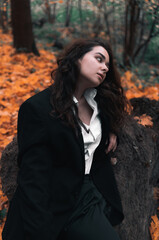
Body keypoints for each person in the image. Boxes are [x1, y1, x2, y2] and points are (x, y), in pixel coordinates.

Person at [2, 38, 128, 240]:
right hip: (52, 198)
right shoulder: (38, 108)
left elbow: (115, 117)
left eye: (107, 64)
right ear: (77, 58)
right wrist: (39, 231)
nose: (104, 67)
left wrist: (113, 131)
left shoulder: (100, 104)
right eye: (99, 59)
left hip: (88, 194)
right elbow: (33, 176)